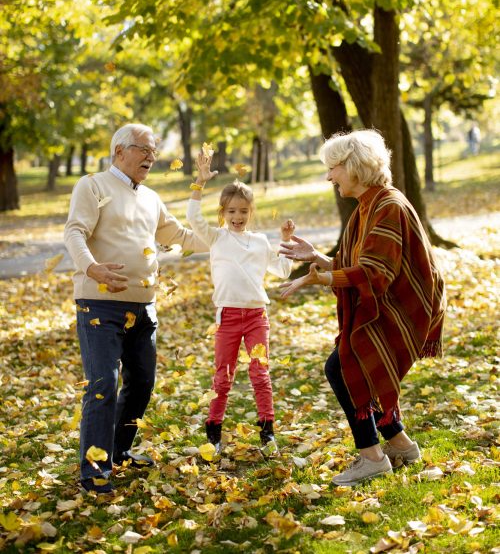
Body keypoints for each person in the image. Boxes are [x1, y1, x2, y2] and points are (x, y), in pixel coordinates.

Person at [279, 130, 446, 486]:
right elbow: (359, 261)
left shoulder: (388, 206)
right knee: (351, 366)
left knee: (343, 366)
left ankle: (372, 456)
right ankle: (401, 444)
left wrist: (319, 279)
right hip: (388, 302)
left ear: (354, 166)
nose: (329, 177)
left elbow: (375, 273)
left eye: (333, 168)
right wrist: (320, 260)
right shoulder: (369, 206)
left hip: (403, 307)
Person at [64, 124, 208, 493]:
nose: (151, 156)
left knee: (142, 383)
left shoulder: (150, 197)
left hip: (143, 307)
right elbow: (75, 232)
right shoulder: (92, 186)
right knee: (102, 385)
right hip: (99, 305)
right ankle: (94, 471)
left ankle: (119, 451)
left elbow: (179, 236)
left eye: (154, 150)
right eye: (143, 149)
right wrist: (91, 267)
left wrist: (229, 237)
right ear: (119, 152)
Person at [186, 148, 295, 453]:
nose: (238, 217)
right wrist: (199, 182)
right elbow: (193, 217)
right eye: (232, 211)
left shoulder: (259, 242)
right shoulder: (217, 238)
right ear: (223, 213)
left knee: (260, 373)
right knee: (223, 378)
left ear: (251, 212)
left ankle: (267, 431)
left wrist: (285, 241)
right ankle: (213, 429)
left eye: (243, 211)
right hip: (229, 318)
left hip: (257, 316)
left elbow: (283, 269)